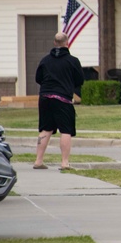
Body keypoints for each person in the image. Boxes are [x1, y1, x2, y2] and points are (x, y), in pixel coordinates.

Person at [33, 32, 85, 170]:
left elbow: (38, 78)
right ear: (67, 43)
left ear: (54, 43)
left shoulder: (45, 60)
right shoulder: (72, 61)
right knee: (66, 130)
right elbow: (80, 80)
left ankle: (38, 161)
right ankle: (64, 162)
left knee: (45, 129)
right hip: (63, 99)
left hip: (45, 97)